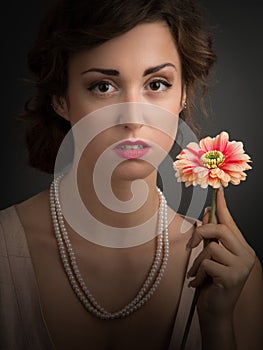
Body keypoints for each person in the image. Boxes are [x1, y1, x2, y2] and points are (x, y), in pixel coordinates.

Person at [0, 0, 262, 349]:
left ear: (183, 94)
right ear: (60, 99)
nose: (133, 118)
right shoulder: (4, 253)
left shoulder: (229, 272)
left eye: (156, 84)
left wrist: (217, 325)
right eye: (103, 87)